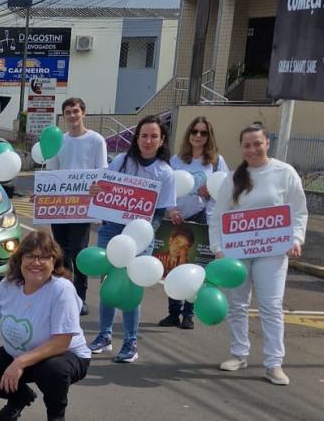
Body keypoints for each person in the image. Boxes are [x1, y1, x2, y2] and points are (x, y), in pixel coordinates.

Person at [0, 231, 90, 421]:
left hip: (63, 355)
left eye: (44, 257)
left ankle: (56, 416)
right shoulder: (9, 283)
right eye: (30, 256)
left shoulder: (62, 290)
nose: (36, 262)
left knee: (53, 370)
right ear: (20, 259)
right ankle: (19, 398)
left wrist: (20, 363)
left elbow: (61, 342)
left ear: (54, 261)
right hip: (20, 354)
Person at [210, 124, 307, 386]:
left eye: (257, 143)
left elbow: (298, 211)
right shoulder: (232, 179)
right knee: (237, 304)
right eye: (247, 145)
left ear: (267, 143)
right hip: (237, 251)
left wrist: (296, 239)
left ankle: (274, 363)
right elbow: (218, 217)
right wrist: (218, 248)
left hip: (273, 251)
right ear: (241, 148)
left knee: (271, 306)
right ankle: (238, 354)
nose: (252, 149)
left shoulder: (285, 173)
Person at [87, 115, 176, 363]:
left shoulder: (165, 173)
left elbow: (160, 214)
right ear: (136, 138)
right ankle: (104, 336)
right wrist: (96, 190)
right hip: (111, 231)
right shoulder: (121, 161)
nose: (148, 140)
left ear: (161, 140)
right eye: (144, 135)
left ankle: (130, 341)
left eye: (153, 136)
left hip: (139, 237)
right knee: (106, 285)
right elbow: (103, 189)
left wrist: (142, 232)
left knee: (130, 287)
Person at [159, 116, 228, 330]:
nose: (198, 136)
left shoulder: (216, 162)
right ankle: (173, 313)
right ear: (188, 134)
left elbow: (226, 189)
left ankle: (188, 315)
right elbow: (166, 187)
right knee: (173, 266)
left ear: (209, 137)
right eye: (194, 131)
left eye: (203, 133)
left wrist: (212, 188)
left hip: (202, 219)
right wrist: (171, 210)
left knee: (195, 267)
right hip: (176, 217)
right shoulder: (177, 160)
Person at [45, 97, 108, 316]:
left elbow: (102, 172)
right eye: (68, 112)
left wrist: (96, 188)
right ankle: (65, 294)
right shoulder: (58, 141)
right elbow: (52, 172)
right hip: (60, 207)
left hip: (83, 207)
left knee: (79, 252)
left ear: (84, 113)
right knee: (61, 252)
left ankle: (80, 296)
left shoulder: (96, 140)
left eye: (75, 111)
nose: (72, 116)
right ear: (63, 117)